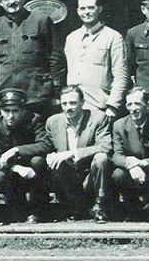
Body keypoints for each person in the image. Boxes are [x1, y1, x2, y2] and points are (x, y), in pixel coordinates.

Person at [0, 0, 63, 120]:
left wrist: (56, 92)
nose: (12, 1)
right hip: (6, 94)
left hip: (35, 94)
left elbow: (55, 57)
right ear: (0, 2)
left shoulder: (41, 20)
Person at [45, 85, 113, 223]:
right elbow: (46, 147)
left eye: (73, 103)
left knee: (101, 158)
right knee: (56, 161)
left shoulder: (98, 118)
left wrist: (73, 153)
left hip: (90, 174)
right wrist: (50, 156)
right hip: (68, 176)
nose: (68, 107)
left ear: (82, 103)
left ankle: (99, 206)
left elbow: (105, 146)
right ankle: (72, 206)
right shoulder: (53, 122)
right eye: (64, 103)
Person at [0, 89, 52, 224]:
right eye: (6, 111)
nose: (10, 116)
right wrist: (15, 168)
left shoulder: (34, 120)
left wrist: (16, 150)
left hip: (32, 170)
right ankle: (15, 208)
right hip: (11, 170)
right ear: (0, 111)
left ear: (23, 110)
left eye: (15, 111)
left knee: (38, 161)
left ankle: (37, 210)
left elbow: (45, 145)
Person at [110, 88, 149, 223]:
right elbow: (116, 155)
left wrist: (142, 163)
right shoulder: (119, 125)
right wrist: (130, 165)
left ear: (147, 104)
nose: (133, 109)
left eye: (137, 104)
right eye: (129, 104)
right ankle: (134, 209)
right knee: (118, 174)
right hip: (132, 172)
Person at [64, 0, 129, 118]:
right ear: (78, 11)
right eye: (82, 8)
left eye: (91, 8)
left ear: (99, 9)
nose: (86, 12)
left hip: (100, 108)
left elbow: (121, 75)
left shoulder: (113, 37)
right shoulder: (71, 38)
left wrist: (113, 106)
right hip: (73, 107)